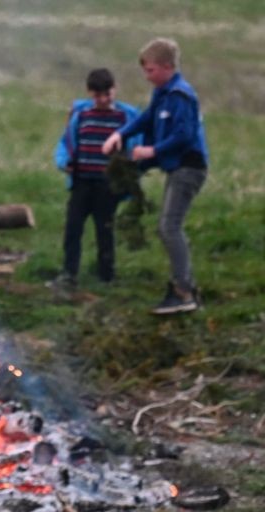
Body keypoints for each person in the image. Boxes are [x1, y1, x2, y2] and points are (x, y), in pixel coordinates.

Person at [102, 38, 209, 314]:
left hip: (189, 167)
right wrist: (119, 134)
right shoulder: (162, 94)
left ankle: (183, 292)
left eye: (150, 70)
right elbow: (147, 119)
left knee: (169, 227)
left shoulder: (181, 96)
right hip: (176, 168)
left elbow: (183, 136)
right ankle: (183, 287)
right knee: (167, 226)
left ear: (166, 67)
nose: (147, 76)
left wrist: (152, 150)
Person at [50, 68, 140, 290]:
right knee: (73, 228)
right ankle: (69, 272)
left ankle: (106, 275)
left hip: (107, 185)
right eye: (97, 96)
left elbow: (134, 147)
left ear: (114, 90)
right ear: (90, 93)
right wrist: (65, 162)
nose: (102, 100)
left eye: (107, 95)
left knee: (104, 229)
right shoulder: (81, 116)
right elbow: (65, 143)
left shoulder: (125, 118)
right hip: (81, 181)